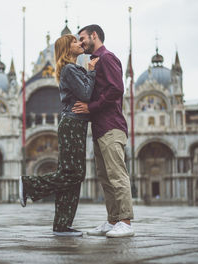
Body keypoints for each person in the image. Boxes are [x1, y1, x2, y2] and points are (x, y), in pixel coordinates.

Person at [19, 34, 99, 237]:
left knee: (74, 174)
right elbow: (86, 94)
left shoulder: (71, 69)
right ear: (66, 48)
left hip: (76, 124)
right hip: (72, 123)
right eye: (74, 41)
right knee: (73, 173)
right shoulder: (70, 68)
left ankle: (62, 225)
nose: (80, 43)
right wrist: (91, 72)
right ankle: (29, 184)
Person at [72, 24, 135, 238]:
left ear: (94, 35)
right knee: (105, 177)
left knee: (117, 174)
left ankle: (125, 222)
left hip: (111, 126)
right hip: (100, 128)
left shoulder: (107, 58)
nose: (81, 43)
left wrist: (91, 107)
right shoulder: (95, 62)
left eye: (82, 38)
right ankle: (112, 220)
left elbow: (116, 89)